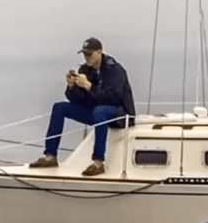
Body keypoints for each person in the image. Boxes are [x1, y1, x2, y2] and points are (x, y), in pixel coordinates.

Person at [29, 37, 136, 176]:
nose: (87, 57)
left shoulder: (115, 70)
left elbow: (114, 98)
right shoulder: (85, 69)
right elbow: (79, 100)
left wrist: (89, 86)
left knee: (100, 111)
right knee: (59, 107)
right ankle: (50, 156)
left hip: (120, 114)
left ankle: (98, 162)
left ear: (99, 52)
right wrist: (72, 87)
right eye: (84, 54)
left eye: (89, 54)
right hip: (97, 112)